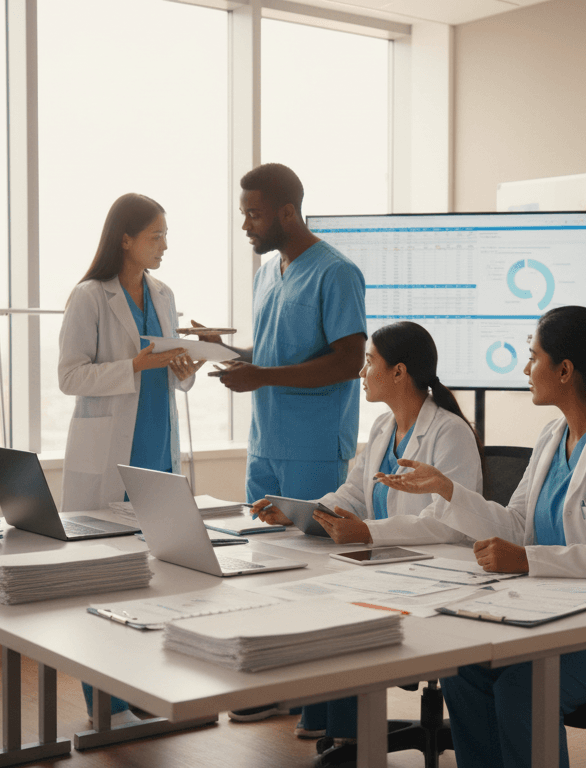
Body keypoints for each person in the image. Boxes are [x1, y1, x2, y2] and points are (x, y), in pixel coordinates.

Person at [373, 305, 586, 768]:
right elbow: (516, 525)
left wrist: (528, 560)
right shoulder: (551, 437)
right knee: (465, 669)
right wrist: (447, 489)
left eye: (532, 356)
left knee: (525, 683)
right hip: (549, 610)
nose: (525, 369)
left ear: (564, 370)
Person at [186, 163, 366, 736]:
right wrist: (226, 350)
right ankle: (274, 686)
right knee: (264, 567)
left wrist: (262, 375)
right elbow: (270, 353)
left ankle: (324, 703)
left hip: (313, 446)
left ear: (287, 212)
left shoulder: (337, 273)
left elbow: (347, 361)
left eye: (254, 213)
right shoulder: (268, 272)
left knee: (312, 574)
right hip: (266, 442)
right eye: (243, 212)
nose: (245, 223)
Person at [248, 320, 484, 749]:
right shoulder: (382, 426)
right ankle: (338, 727)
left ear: (399, 371)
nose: (361, 372)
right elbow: (354, 492)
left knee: (343, 608)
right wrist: (303, 513)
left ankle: (350, 736)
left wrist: (367, 532)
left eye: (370, 362)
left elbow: (448, 524)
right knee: (313, 593)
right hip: (386, 563)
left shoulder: (450, 433)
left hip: (435, 572)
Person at [56, 193, 202, 725]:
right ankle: (105, 706)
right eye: (156, 235)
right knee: (103, 583)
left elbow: (173, 375)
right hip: (109, 463)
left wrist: (186, 365)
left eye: (165, 234)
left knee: (154, 586)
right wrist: (133, 365)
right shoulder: (89, 296)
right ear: (126, 239)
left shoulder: (163, 293)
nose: (165, 244)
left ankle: (143, 693)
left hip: (158, 458)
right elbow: (70, 376)